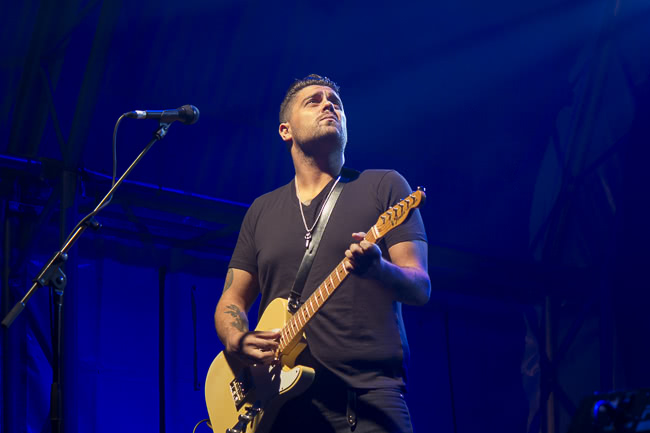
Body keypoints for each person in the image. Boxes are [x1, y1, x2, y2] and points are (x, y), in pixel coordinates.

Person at [214, 74, 431, 433]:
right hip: (279, 407)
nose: (329, 104)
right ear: (285, 130)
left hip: (366, 401)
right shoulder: (261, 211)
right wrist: (237, 339)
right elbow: (231, 300)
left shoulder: (383, 186)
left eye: (335, 102)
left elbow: (420, 286)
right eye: (313, 100)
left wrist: (379, 269)